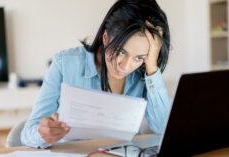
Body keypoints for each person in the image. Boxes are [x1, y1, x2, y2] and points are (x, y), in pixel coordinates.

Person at [21, 0, 171, 148]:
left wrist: (152, 67)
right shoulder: (64, 64)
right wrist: (44, 134)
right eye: (120, 51)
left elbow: (163, 128)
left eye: (139, 57)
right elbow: (28, 134)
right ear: (105, 37)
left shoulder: (143, 74)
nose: (125, 66)